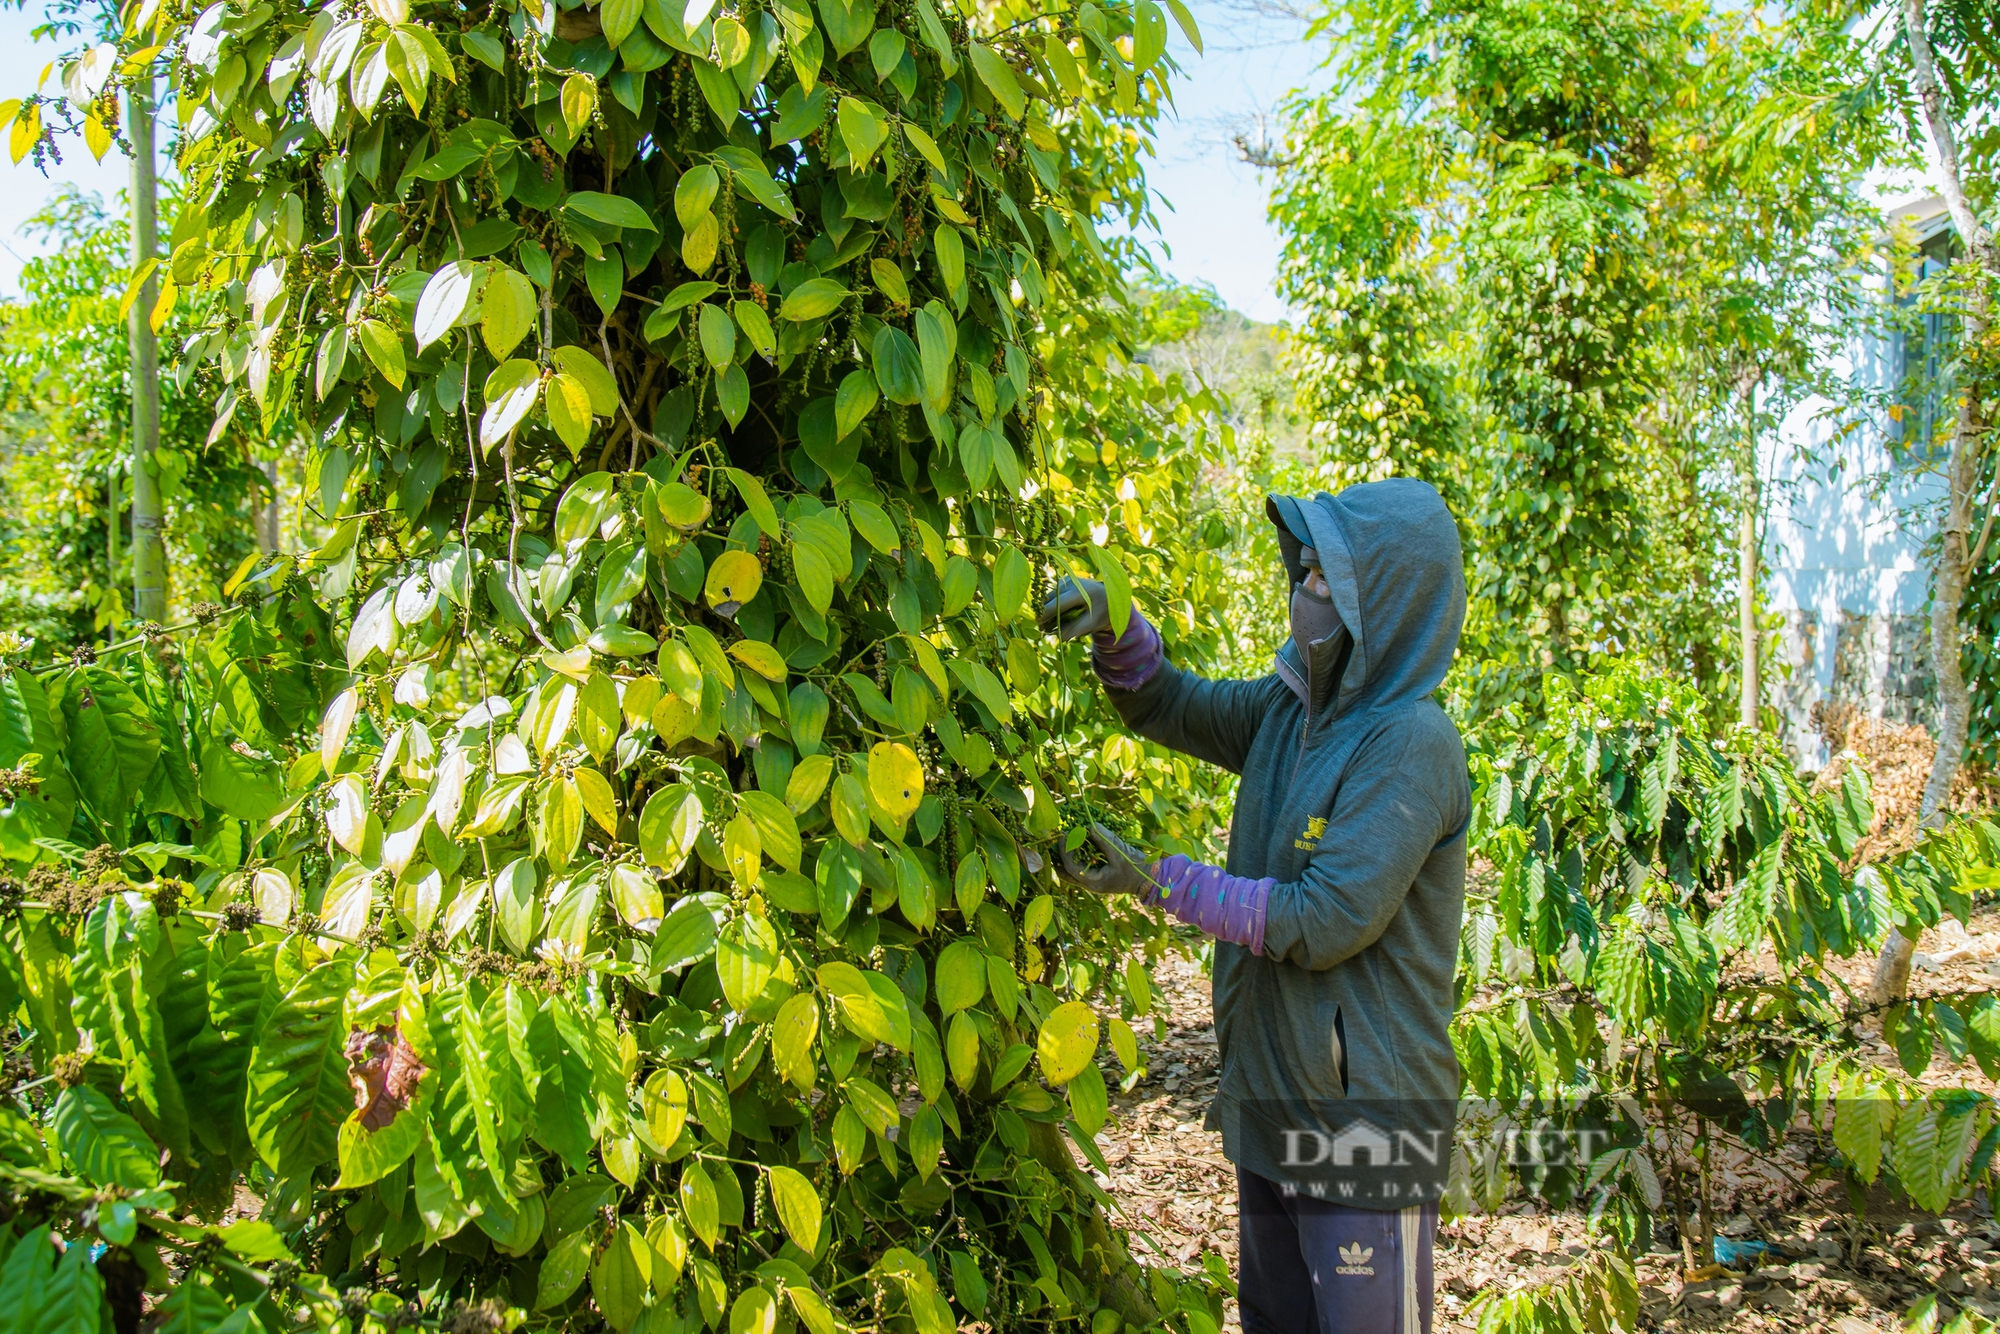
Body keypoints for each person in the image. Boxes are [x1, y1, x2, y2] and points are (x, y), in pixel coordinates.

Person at [1038, 479, 1470, 1334]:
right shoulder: (1290, 710)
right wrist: (1116, 627)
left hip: (1365, 1127)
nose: (1301, 595)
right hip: (1277, 1100)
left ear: (1377, 605)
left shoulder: (1410, 745)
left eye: (1322, 584)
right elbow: (1171, 703)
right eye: (1302, 571)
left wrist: (1159, 881)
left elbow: (1320, 919)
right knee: (1278, 1318)